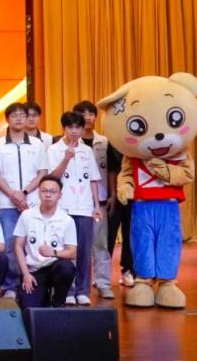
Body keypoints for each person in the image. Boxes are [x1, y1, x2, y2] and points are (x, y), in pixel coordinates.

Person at [0, 103, 49, 297]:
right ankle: (10, 286)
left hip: (33, 202)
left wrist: (24, 192)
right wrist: (13, 194)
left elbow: (43, 172)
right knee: (9, 244)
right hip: (6, 203)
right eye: (14, 115)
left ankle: (34, 284)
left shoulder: (37, 144)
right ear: (7, 119)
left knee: (33, 243)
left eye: (22, 115)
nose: (18, 118)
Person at [48, 110, 101, 306]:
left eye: (78, 127)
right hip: (63, 207)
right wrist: (66, 158)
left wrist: (97, 205)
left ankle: (82, 290)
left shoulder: (87, 150)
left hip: (85, 207)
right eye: (70, 127)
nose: (74, 131)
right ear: (64, 128)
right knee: (65, 250)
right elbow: (52, 177)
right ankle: (67, 290)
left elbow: (93, 179)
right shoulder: (54, 149)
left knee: (84, 251)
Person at [73, 100, 115, 300]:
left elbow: (112, 170)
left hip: (101, 200)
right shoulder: (69, 142)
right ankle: (74, 284)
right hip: (76, 202)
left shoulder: (104, 142)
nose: (88, 117)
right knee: (75, 245)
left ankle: (103, 283)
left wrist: (113, 194)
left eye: (91, 113)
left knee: (100, 243)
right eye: (83, 114)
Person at [14, 176, 77, 309]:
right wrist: (25, 274)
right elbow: (18, 246)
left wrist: (53, 252)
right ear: (38, 193)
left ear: (60, 195)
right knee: (29, 309)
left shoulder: (67, 220)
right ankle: (43, 296)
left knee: (67, 267)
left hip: (55, 267)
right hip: (33, 270)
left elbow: (72, 252)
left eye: (52, 191)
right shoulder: (26, 215)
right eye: (44, 191)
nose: (48, 194)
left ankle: (58, 302)